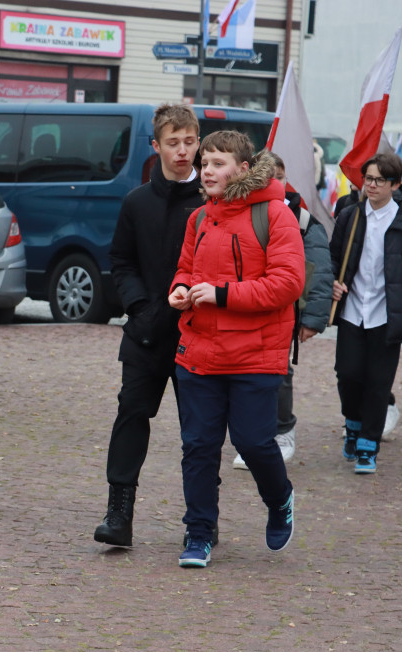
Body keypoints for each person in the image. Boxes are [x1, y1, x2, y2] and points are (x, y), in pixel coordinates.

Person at [167, 131, 303, 568]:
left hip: (255, 354)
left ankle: (280, 498)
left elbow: (287, 283)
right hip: (199, 352)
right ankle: (200, 532)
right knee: (199, 446)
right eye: (204, 162)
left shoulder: (276, 215)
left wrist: (222, 294)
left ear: (243, 170)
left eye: (218, 163)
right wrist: (181, 289)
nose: (207, 170)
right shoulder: (199, 218)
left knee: (253, 441)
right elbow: (186, 268)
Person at [93, 104, 203, 547]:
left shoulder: (213, 201)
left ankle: (202, 518)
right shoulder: (136, 201)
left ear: (199, 141)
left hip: (199, 336)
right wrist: (139, 305)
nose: (182, 151)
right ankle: (119, 514)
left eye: (190, 142)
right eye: (172, 143)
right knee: (131, 416)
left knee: (200, 431)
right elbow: (120, 260)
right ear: (156, 146)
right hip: (145, 333)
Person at [233, 151, 334, 469]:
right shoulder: (239, 210)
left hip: (286, 309)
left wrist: (313, 318)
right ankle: (251, 438)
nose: (273, 181)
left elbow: (318, 267)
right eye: (268, 175)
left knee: (279, 374)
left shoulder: (302, 218)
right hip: (247, 305)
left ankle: (282, 431)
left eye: (279, 175)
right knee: (243, 374)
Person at [330, 153, 402, 474]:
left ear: (395, 185)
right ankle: (353, 424)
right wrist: (333, 284)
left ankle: (368, 445)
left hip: (387, 317)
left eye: (379, 181)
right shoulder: (350, 216)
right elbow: (333, 259)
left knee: (378, 382)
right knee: (348, 374)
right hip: (352, 312)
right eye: (368, 179)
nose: (371, 185)